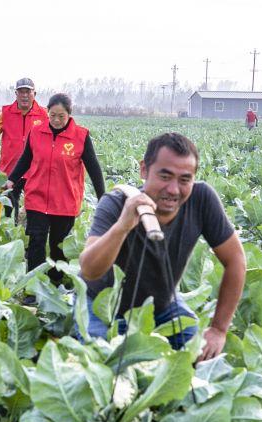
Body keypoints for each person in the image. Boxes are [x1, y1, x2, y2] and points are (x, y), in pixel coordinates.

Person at [79, 132, 246, 362]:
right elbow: (89, 270)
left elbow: (236, 259)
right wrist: (122, 227)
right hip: (104, 307)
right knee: (102, 366)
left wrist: (219, 329)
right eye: (165, 176)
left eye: (184, 179)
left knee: (207, 362)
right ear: (144, 170)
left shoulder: (202, 199)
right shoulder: (117, 203)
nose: (174, 189)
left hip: (163, 305)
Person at [6, 93, 105, 283]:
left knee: (59, 246)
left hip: (65, 201)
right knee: (36, 242)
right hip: (37, 198)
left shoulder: (81, 136)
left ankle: (55, 285)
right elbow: (25, 159)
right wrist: (11, 180)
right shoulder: (36, 132)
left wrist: (103, 197)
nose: (56, 120)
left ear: (69, 114)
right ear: (47, 113)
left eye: (61, 116)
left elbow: (94, 168)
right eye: (52, 115)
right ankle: (32, 287)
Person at [0, 78, 47, 220]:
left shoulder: (44, 115)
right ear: (15, 94)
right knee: (9, 210)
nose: (24, 95)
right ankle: (9, 235)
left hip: (35, 171)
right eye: (21, 92)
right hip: (9, 171)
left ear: (35, 93)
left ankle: (30, 235)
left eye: (28, 91)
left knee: (36, 209)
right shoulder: (5, 114)